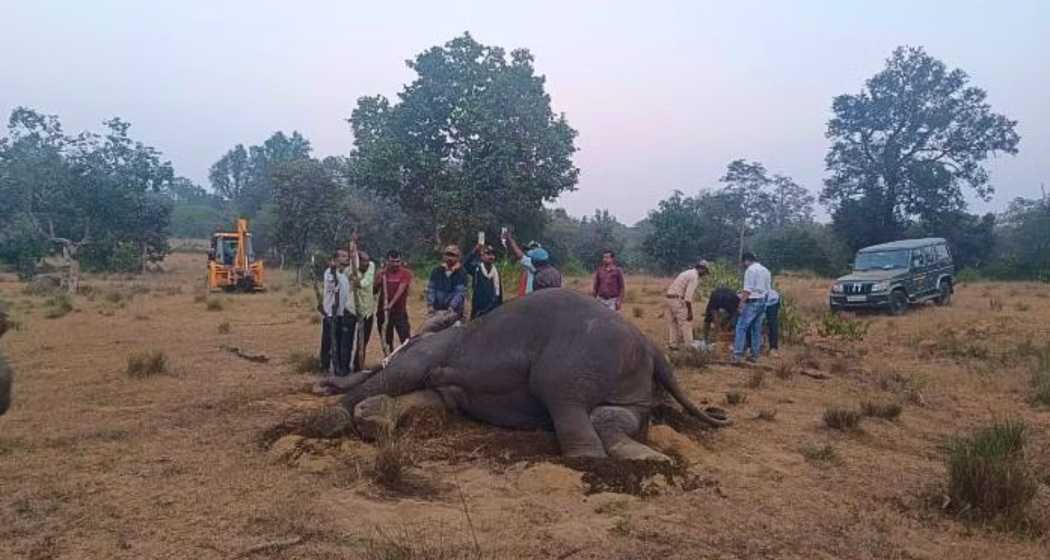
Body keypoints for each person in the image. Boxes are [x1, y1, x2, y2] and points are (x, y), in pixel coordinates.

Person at [733, 252, 772, 362]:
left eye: (744, 263)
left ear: (746, 260)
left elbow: (747, 290)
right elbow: (768, 289)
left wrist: (741, 304)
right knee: (756, 329)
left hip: (752, 301)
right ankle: (755, 356)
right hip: (763, 301)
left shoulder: (750, 270)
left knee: (741, 328)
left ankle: (737, 355)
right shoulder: (766, 270)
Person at [421, 245, 468, 333]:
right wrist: (430, 305)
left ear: (458, 257)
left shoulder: (461, 273)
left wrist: (452, 306)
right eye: (447, 255)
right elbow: (431, 289)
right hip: (437, 310)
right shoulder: (436, 271)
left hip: (454, 312)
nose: (450, 258)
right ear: (443, 256)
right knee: (425, 331)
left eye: (453, 255)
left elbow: (459, 293)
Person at [664, 259, 710, 348]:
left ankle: (673, 345)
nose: (704, 275)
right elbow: (688, 298)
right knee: (686, 324)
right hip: (677, 300)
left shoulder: (687, 272)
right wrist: (690, 312)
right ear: (702, 269)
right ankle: (689, 347)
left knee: (673, 323)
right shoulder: (694, 277)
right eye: (705, 272)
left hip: (669, 298)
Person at [320, 249, 351, 376]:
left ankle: (337, 367)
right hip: (331, 313)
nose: (346, 258)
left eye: (347, 256)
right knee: (328, 341)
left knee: (338, 341)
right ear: (336, 259)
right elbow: (333, 287)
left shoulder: (343, 275)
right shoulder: (330, 273)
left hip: (341, 313)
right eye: (343, 256)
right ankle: (325, 366)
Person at [377, 250, 412, 351]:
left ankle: (407, 360)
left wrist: (390, 305)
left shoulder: (405, 273)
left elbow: (400, 291)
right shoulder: (382, 273)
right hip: (383, 312)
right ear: (387, 261)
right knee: (387, 339)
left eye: (398, 261)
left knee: (405, 338)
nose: (396, 264)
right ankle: (389, 360)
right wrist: (378, 280)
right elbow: (374, 290)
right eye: (393, 261)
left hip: (399, 312)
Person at [350, 250, 376, 371]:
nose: (366, 263)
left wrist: (357, 282)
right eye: (363, 261)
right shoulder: (351, 268)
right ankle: (343, 367)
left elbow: (365, 283)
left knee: (363, 340)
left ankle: (358, 366)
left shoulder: (371, 266)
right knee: (348, 340)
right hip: (352, 310)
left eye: (367, 260)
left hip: (367, 311)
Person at [464, 243, 503, 319]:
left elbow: (499, 294)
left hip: (493, 311)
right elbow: (465, 265)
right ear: (482, 256)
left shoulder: (496, 272)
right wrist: (474, 251)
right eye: (488, 253)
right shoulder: (476, 269)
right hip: (478, 311)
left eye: (493, 254)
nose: (491, 256)